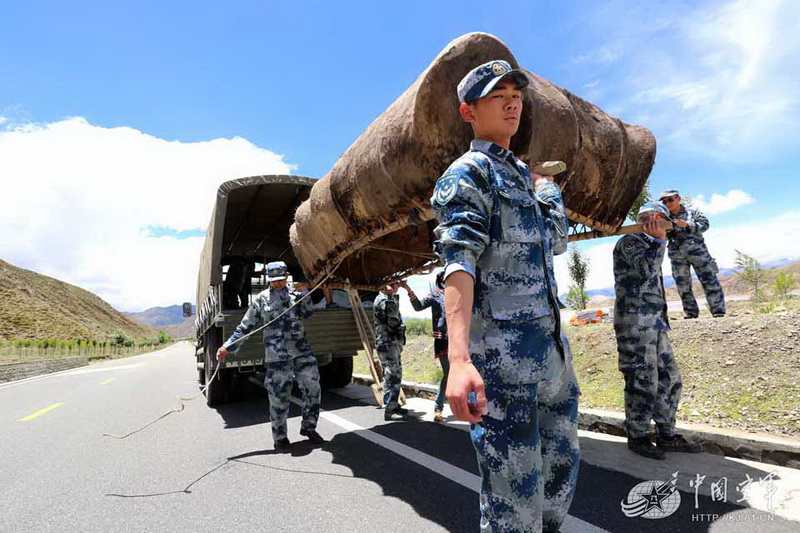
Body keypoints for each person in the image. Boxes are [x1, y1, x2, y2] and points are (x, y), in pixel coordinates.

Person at [431, 59, 580, 533]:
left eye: (516, 93)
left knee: (558, 483)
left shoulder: (522, 177)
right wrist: (458, 360)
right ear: (468, 111)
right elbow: (457, 264)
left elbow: (554, 241)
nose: (512, 101)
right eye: (498, 95)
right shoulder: (469, 174)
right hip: (503, 369)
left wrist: (549, 190)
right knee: (512, 505)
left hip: (552, 361)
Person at [613, 202, 702, 460]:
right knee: (642, 380)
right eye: (662, 219)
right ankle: (638, 435)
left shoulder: (652, 242)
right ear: (652, 218)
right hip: (635, 325)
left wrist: (657, 241)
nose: (665, 224)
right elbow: (644, 270)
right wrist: (657, 241)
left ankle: (666, 434)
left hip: (655, 323)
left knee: (669, 379)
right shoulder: (629, 242)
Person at [216, 261, 325, 450]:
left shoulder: (296, 294)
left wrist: (305, 293)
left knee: (313, 389)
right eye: (274, 281)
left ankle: (309, 427)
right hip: (277, 357)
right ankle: (280, 437)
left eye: (281, 280)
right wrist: (227, 347)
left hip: (302, 352)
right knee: (278, 397)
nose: (278, 284)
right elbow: (245, 327)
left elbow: (307, 314)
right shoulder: (261, 300)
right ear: (268, 279)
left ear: (287, 275)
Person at [660, 189, 726, 318]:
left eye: (670, 200)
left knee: (710, 281)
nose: (667, 203)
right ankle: (691, 313)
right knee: (683, 285)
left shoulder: (692, 212)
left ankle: (718, 311)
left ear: (678, 198)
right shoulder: (664, 217)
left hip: (698, 253)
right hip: (677, 256)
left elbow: (705, 225)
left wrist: (688, 225)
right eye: (664, 201)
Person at [401, 273, 449, 422]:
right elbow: (418, 306)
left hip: (461, 339)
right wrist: (408, 289)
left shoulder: (459, 293)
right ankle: (438, 408)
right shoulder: (435, 296)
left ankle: (469, 407)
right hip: (443, 341)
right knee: (448, 374)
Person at [374, 281, 408, 421]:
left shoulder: (386, 298)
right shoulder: (383, 299)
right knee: (391, 375)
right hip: (387, 342)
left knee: (395, 373)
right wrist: (391, 296)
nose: (396, 286)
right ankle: (389, 407)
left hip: (390, 342)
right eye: (393, 284)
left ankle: (393, 404)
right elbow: (393, 319)